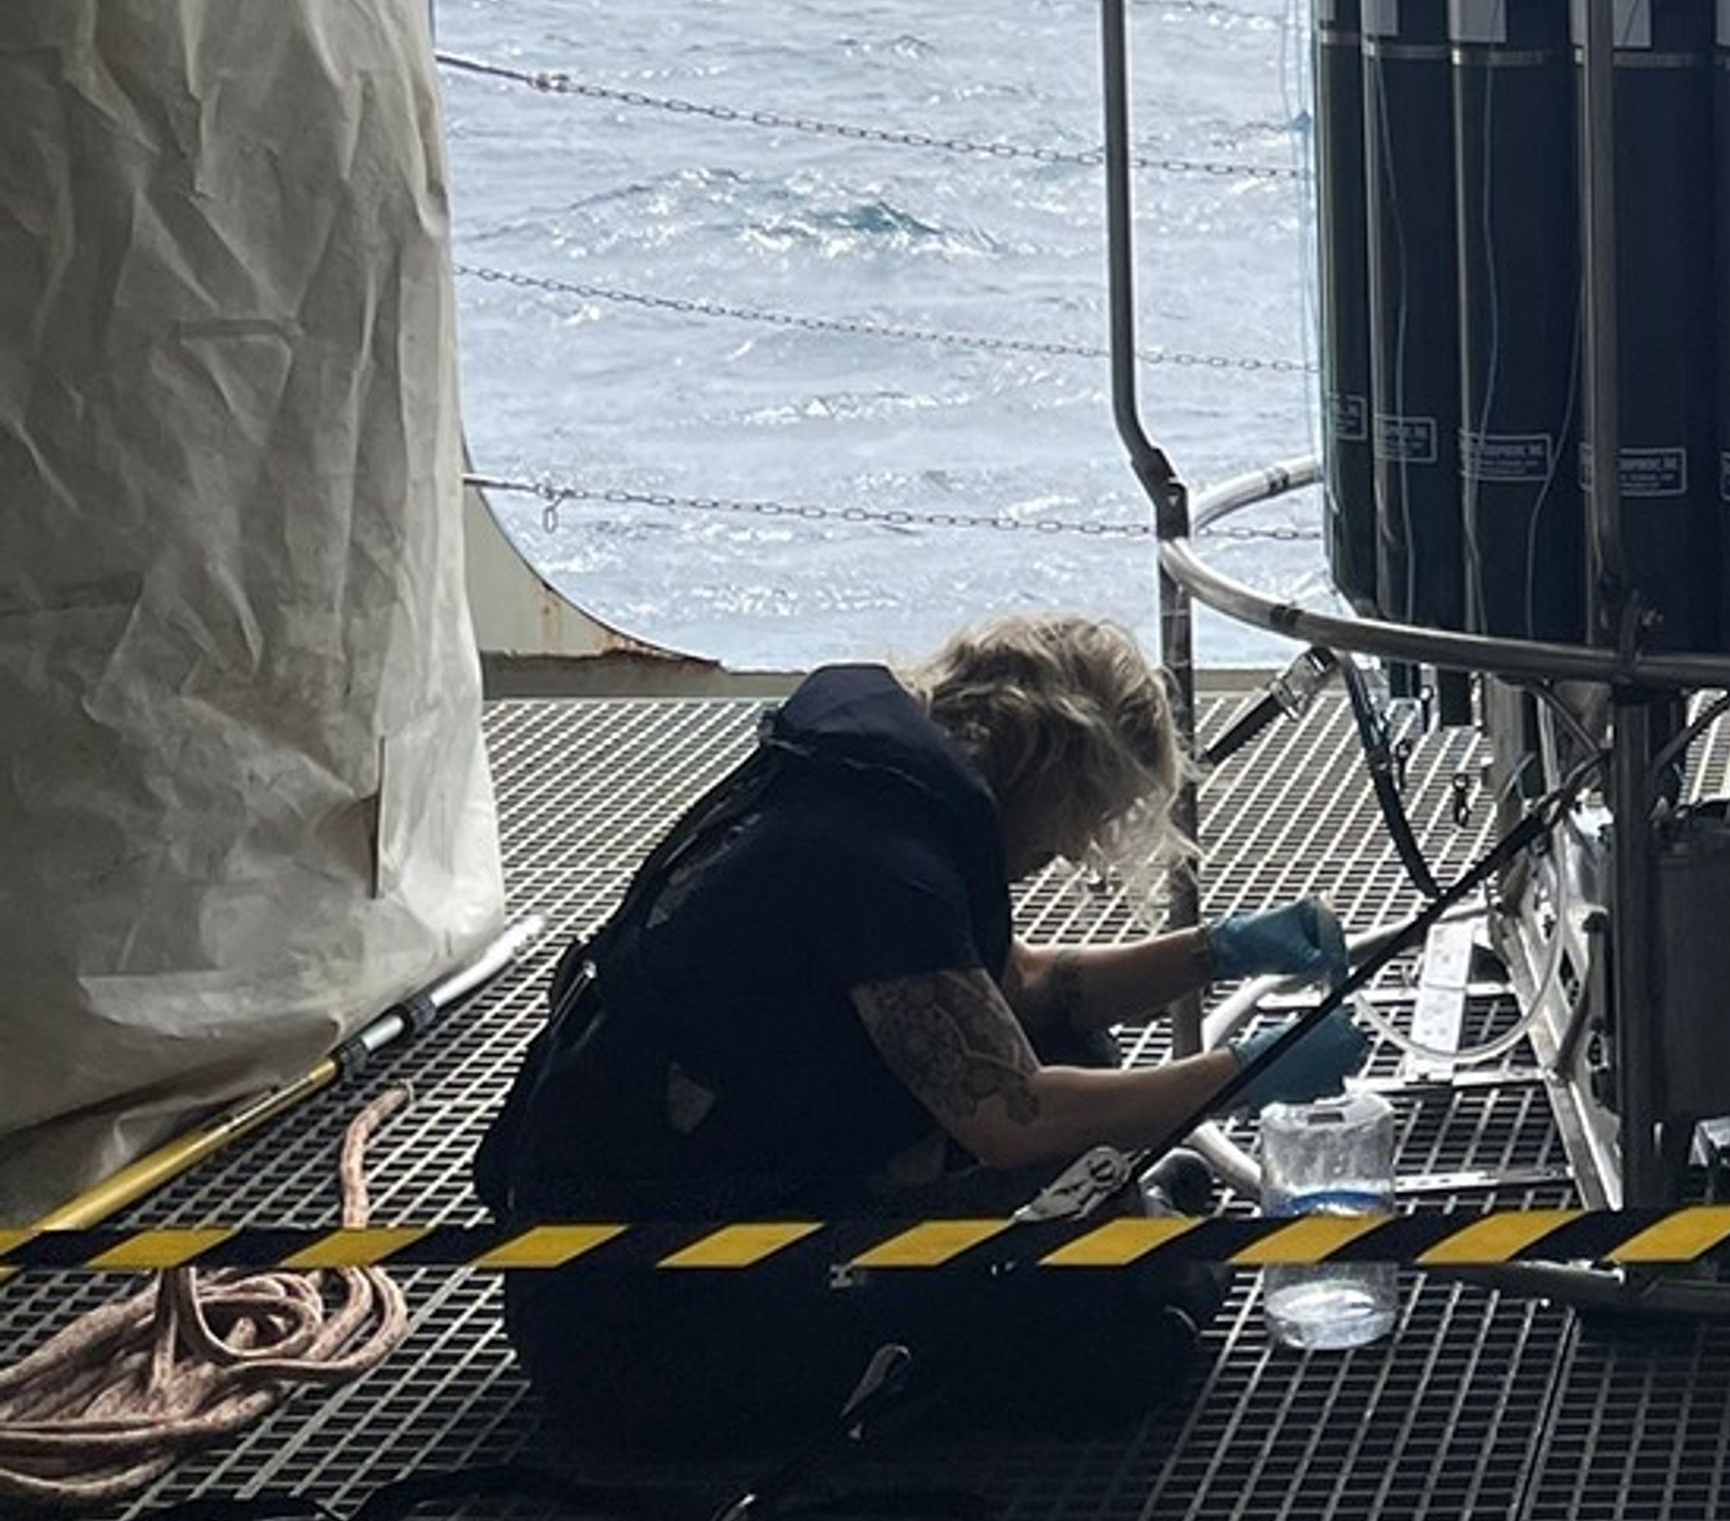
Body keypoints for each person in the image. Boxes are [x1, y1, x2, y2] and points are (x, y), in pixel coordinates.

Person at [475, 611, 1374, 1452]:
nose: (1069, 853)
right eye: (1082, 821)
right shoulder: (878, 865)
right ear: (1051, 770)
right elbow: (1011, 1115)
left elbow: (1011, 988)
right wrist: (1247, 1074)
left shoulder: (868, 788)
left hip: (650, 1224)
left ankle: (1128, 1231)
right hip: (644, 1328)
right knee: (1112, 1324)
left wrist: (1215, 952)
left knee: (1081, 1071)